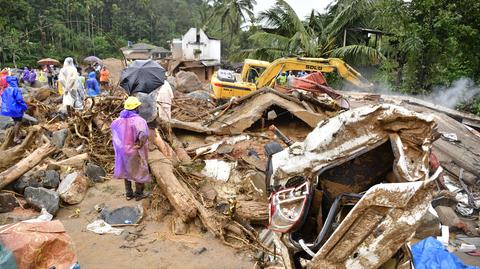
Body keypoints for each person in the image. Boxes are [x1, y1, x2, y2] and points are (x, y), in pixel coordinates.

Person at [111, 96, 150, 201]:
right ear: (136, 108)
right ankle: (139, 193)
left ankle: (128, 194)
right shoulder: (139, 121)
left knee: (126, 171)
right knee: (139, 170)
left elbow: (115, 136)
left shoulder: (117, 121)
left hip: (122, 151)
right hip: (134, 150)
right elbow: (143, 135)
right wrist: (140, 144)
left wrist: (120, 147)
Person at [1, 76, 27, 143]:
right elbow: (19, 100)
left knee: (15, 121)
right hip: (16, 109)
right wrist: (24, 107)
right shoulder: (16, 89)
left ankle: (18, 134)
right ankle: (16, 137)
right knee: (18, 122)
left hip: (9, 109)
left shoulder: (6, 89)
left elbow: (3, 99)